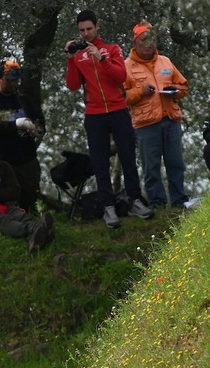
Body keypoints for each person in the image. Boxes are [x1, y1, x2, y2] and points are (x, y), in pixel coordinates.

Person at [64, 9, 152, 228]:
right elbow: (73, 85)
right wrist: (70, 59)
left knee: (128, 156)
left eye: (89, 29)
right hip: (94, 115)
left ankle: (134, 200)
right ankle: (108, 207)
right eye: (82, 30)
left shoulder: (112, 49)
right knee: (100, 162)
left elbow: (120, 76)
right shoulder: (78, 55)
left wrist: (100, 57)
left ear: (97, 26)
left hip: (118, 110)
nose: (86, 34)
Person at [124, 21, 190, 208]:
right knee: (151, 166)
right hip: (145, 124)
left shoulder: (165, 61)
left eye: (152, 39)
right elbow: (121, 97)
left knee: (176, 163)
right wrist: (140, 92)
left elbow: (183, 86)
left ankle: (179, 200)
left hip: (171, 119)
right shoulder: (126, 66)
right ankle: (157, 202)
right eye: (143, 39)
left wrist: (173, 90)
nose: (148, 43)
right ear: (135, 43)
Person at [0, 59, 46, 212]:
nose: (13, 83)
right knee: (8, 203)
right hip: (3, 160)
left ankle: (35, 221)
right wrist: (15, 125)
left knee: (30, 201)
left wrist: (36, 130)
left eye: (16, 80)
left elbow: (40, 122)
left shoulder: (24, 100)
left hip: (27, 160)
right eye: (9, 80)